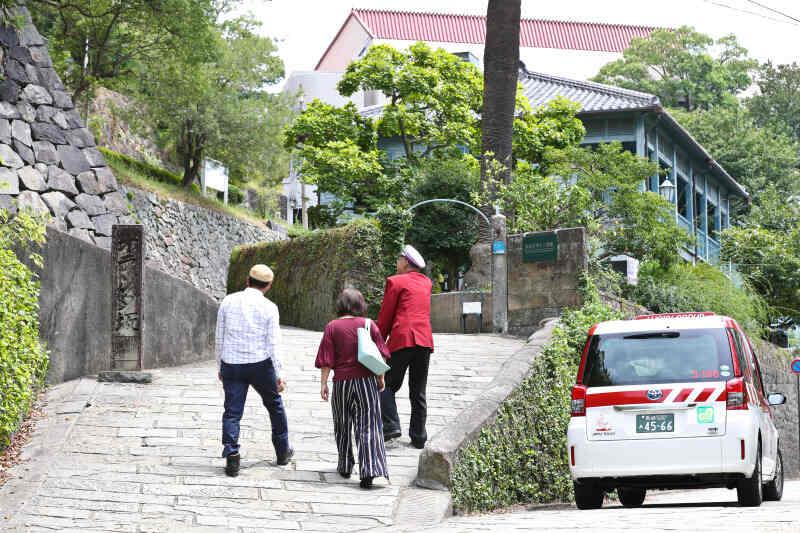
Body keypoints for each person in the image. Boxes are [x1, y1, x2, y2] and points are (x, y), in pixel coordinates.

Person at [215, 264, 293, 477]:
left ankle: (232, 453)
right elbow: (274, 343)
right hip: (260, 364)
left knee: (232, 411)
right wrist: (279, 374)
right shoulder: (270, 307)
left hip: (232, 363)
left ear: (247, 280)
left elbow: (219, 337)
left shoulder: (228, 301)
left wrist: (219, 365)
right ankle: (282, 451)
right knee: (275, 405)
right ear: (268, 286)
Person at [315, 288, 391, 489]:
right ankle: (369, 470)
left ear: (340, 305)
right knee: (369, 424)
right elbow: (380, 353)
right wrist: (380, 377)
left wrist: (324, 383)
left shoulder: (332, 327)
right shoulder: (369, 324)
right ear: (360, 305)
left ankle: (345, 465)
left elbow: (326, 359)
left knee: (342, 424)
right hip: (366, 381)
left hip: (342, 383)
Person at [377, 245, 434, 449]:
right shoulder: (427, 283)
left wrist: (378, 342)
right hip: (424, 340)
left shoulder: (395, 281)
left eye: (399, 259)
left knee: (385, 383)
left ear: (406, 262)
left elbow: (386, 316)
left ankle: (391, 425)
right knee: (418, 390)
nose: (397, 262)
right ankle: (419, 436)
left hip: (403, 338)